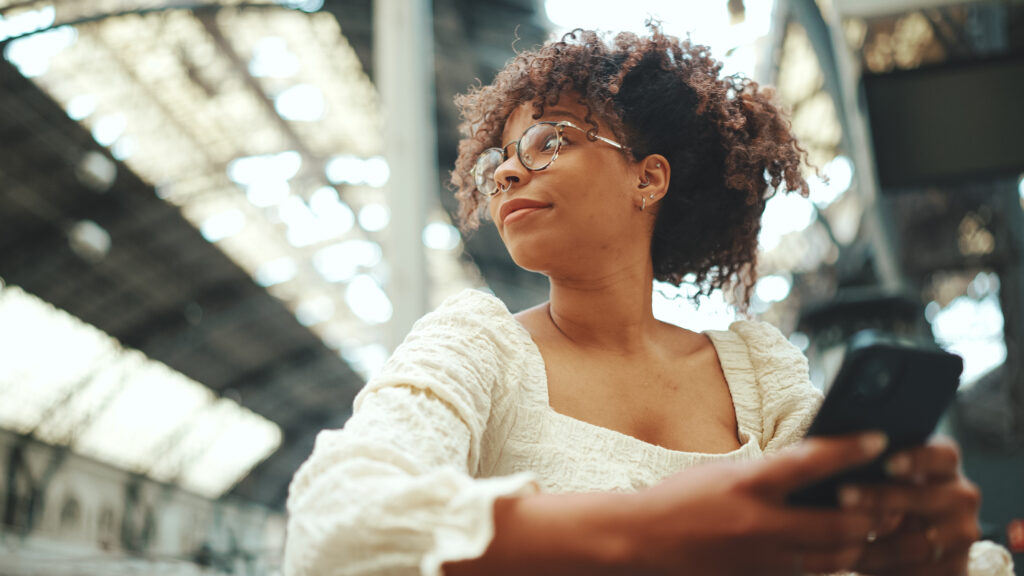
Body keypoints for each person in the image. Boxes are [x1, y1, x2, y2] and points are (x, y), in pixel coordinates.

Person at [283, 27, 1014, 576]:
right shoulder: (477, 348)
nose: (506, 172)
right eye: (498, 156)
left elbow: (840, 550)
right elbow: (336, 525)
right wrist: (662, 529)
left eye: (545, 141)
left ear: (649, 179)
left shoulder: (757, 372)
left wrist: (924, 554)